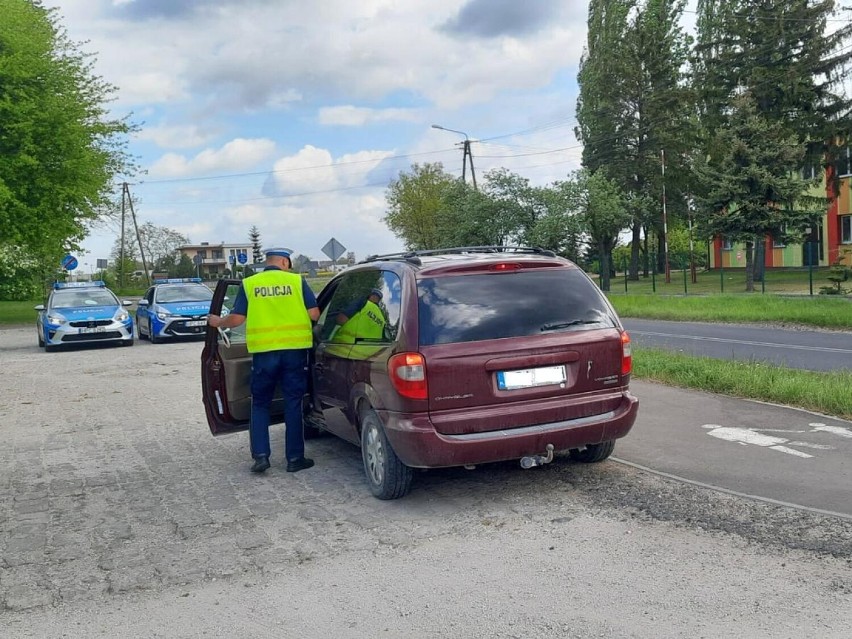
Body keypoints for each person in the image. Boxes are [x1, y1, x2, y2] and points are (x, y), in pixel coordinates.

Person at [208, 247, 320, 474]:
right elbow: (314, 314)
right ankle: (295, 459)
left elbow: (237, 319)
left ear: (267, 262)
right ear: (285, 262)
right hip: (294, 352)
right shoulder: (297, 282)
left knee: (259, 404)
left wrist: (218, 322)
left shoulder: (250, 283)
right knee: (293, 403)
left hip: (264, 353)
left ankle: (261, 458)